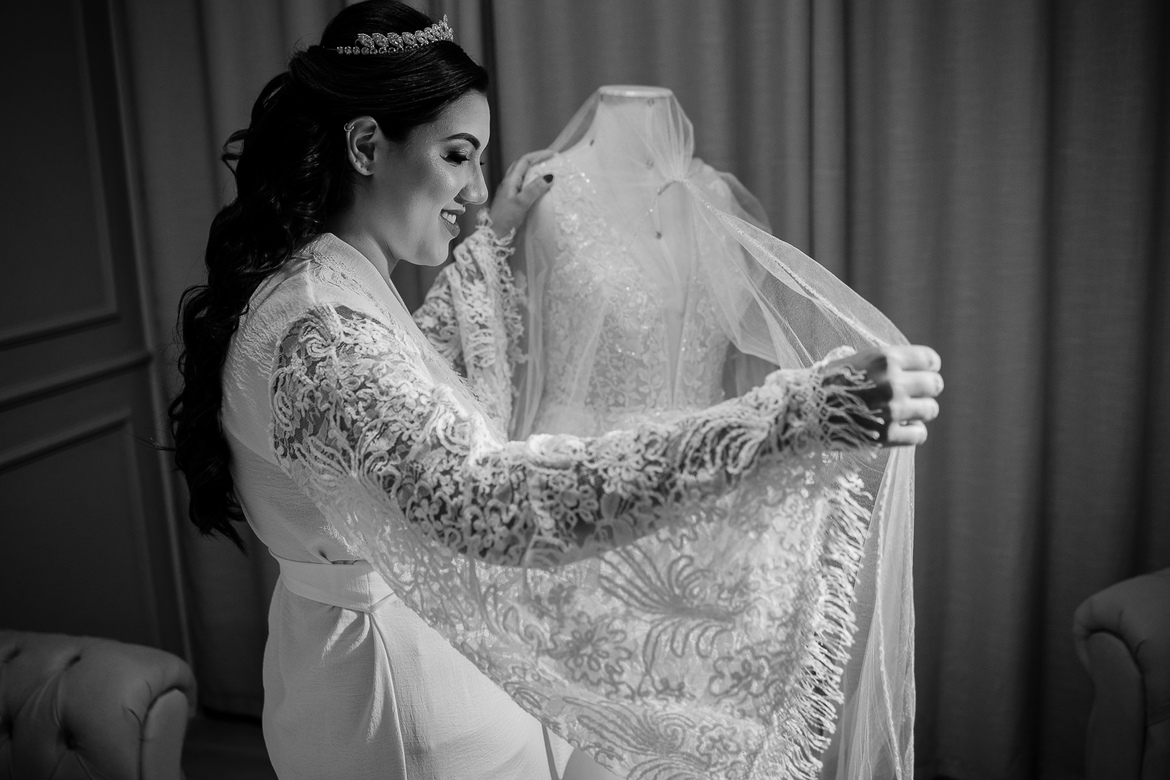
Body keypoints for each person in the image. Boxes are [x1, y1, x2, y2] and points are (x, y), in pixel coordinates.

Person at [167, 3, 943, 779]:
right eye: (458, 155)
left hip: (415, 660)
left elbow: (422, 387)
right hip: (401, 706)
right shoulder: (324, 331)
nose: (476, 191)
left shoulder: (333, 289)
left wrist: (494, 241)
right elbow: (485, 498)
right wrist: (788, 419)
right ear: (366, 145)